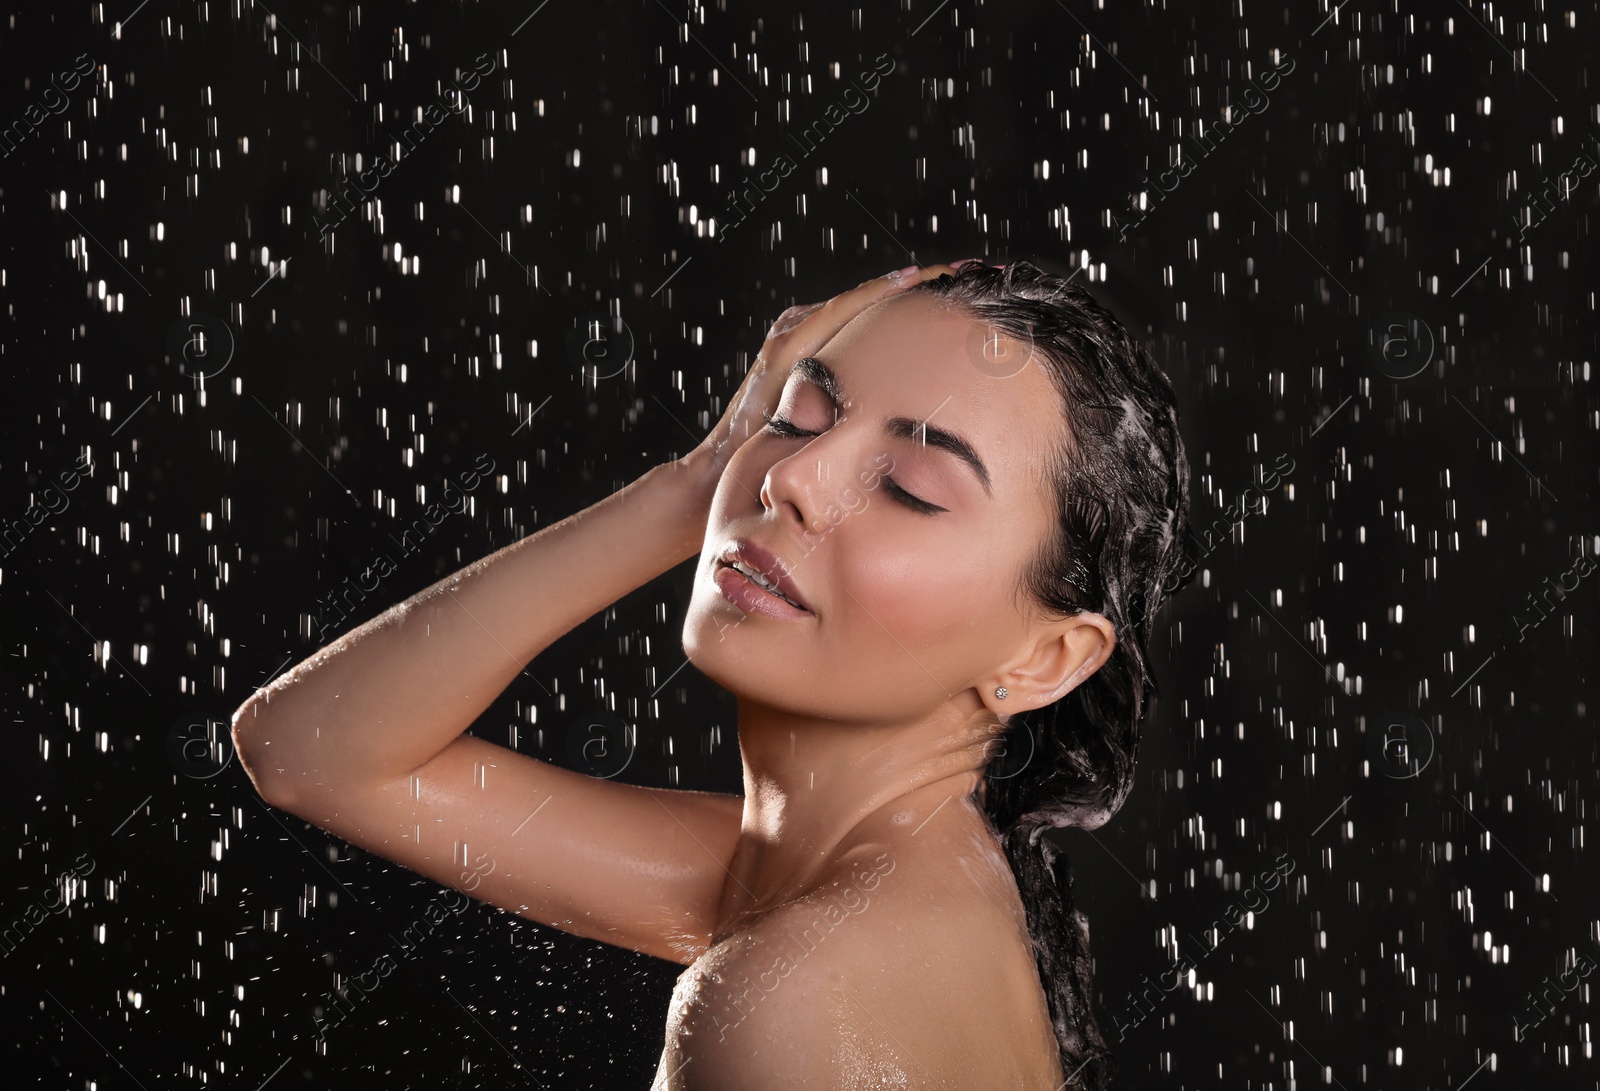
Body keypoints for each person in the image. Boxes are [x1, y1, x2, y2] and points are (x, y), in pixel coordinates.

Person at [231, 258, 1191, 1089]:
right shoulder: (839, 881)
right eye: (798, 415)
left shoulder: (794, 993)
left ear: (1045, 658)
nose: (793, 478)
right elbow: (308, 752)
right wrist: (693, 483)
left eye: (907, 487)